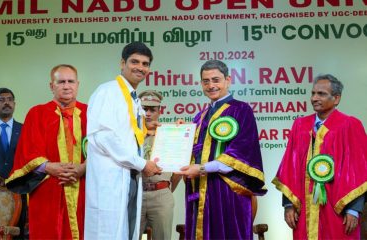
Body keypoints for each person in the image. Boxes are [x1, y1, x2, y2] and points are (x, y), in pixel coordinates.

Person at [178, 60, 267, 240]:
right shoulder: (199, 116)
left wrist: (202, 168)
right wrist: (179, 134)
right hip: (201, 189)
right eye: (206, 81)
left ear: (228, 80)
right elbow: (194, 150)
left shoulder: (241, 110)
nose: (211, 86)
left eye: (216, 80)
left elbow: (241, 153)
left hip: (227, 191)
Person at [272, 74, 367, 239]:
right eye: (313, 93)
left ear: (336, 98)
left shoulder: (350, 125)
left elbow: (360, 171)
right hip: (305, 207)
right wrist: (288, 205)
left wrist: (353, 209)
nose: (314, 98)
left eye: (321, 94)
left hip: (338, 209)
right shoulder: (300, 125)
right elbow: (290, 166)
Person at [85, 42, 162, 240]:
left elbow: (127, 135)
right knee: (109, 232)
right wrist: (142, 163)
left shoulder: (133, 97)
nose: (140, 67)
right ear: (122, 63)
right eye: (134, 62)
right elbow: (104, 137)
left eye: (145, 64)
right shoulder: (108, 92)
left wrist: (157, 132)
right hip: (111, 178)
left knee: (127, 231)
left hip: (129, 177)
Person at [6, 64, 87, 240]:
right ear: (52, 86)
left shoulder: (90, 112)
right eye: (61, 82)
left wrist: (83, 168)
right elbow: (27, 151)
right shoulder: (37, 113)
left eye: (71, 81)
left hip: (84, 187)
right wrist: (49, 167)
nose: (66, 86)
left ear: (78, 84)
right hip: (48, 188)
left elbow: (102, 149)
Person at [138, 90, 181, 240]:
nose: (148, 113)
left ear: (159, 111)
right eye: (144, 109)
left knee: (162, 237)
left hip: (161, 194)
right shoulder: (130, 134)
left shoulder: (169, 134)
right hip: (136, 194)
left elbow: (178, 171)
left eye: (152, 109)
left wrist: (166, 188)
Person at [0, 87, 27, 239]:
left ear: (14, 104)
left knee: (17, 234)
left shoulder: (25, 130)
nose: (6, 103)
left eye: (9, 100)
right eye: (1, 100)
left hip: (18, 191)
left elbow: (29, 159)